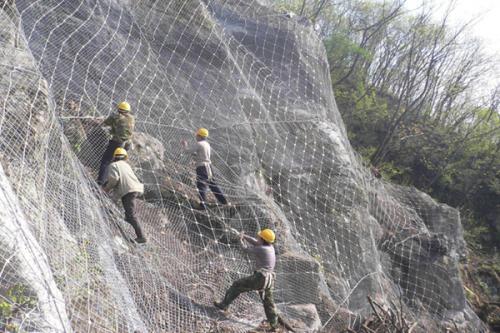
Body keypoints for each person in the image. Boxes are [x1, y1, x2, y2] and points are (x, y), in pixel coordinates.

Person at [214, 228, 278, 331]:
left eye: (259, 237)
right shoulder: (270, 247)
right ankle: (274, 325)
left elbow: (244, 249)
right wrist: (244, 236)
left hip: (261, 278)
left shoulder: (261, 249)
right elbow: (255, 242)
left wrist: (240, 239)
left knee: (236, 285)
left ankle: (224, 305)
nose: (257, 238)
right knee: (268, 302)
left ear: (263, 239)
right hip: (270, 279)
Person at [103, 147, 146, 243]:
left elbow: (114, 179)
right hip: (133, 189)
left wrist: (106, 189)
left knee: (131, 214)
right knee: (128, 214)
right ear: (124, 157)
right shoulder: (126, 165)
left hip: (128, 190)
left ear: (115, 157)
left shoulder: (113, 165)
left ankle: (141, 237)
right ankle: (128, 221)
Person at [181, 128, 229, 210]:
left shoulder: (199, 144)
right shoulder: (206, 144)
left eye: (197, 135)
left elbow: (187, 151)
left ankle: (202, 206)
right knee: (213, 185)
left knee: (201, 185)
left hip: (202, 168)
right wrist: (195, 156)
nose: (196, 136)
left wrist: (184, 145)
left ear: (199, 136)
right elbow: (202, 155)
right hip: (208, 167)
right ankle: (224, 201)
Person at [97, 101, 135, 185]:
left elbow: (105, 123)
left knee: (106, 161)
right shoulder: (131, 118)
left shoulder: (115, 117)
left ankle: (101, 182)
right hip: (127, 144)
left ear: (119, 109)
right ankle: (116, 184)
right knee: (119, 164)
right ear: (128, 111)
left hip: (117, 143)